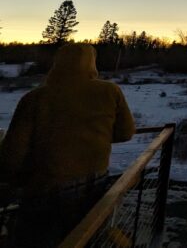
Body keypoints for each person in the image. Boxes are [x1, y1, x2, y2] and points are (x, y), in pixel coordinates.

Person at [0, 43, 135, 247]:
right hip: (94, 183)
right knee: (88, 237)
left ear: (57, 63)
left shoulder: (34, 98)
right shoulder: (110, 91)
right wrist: (95, 136)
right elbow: (125, 133)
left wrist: (12, 180)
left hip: (46, 191)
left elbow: (12, 155)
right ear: (92, 63)